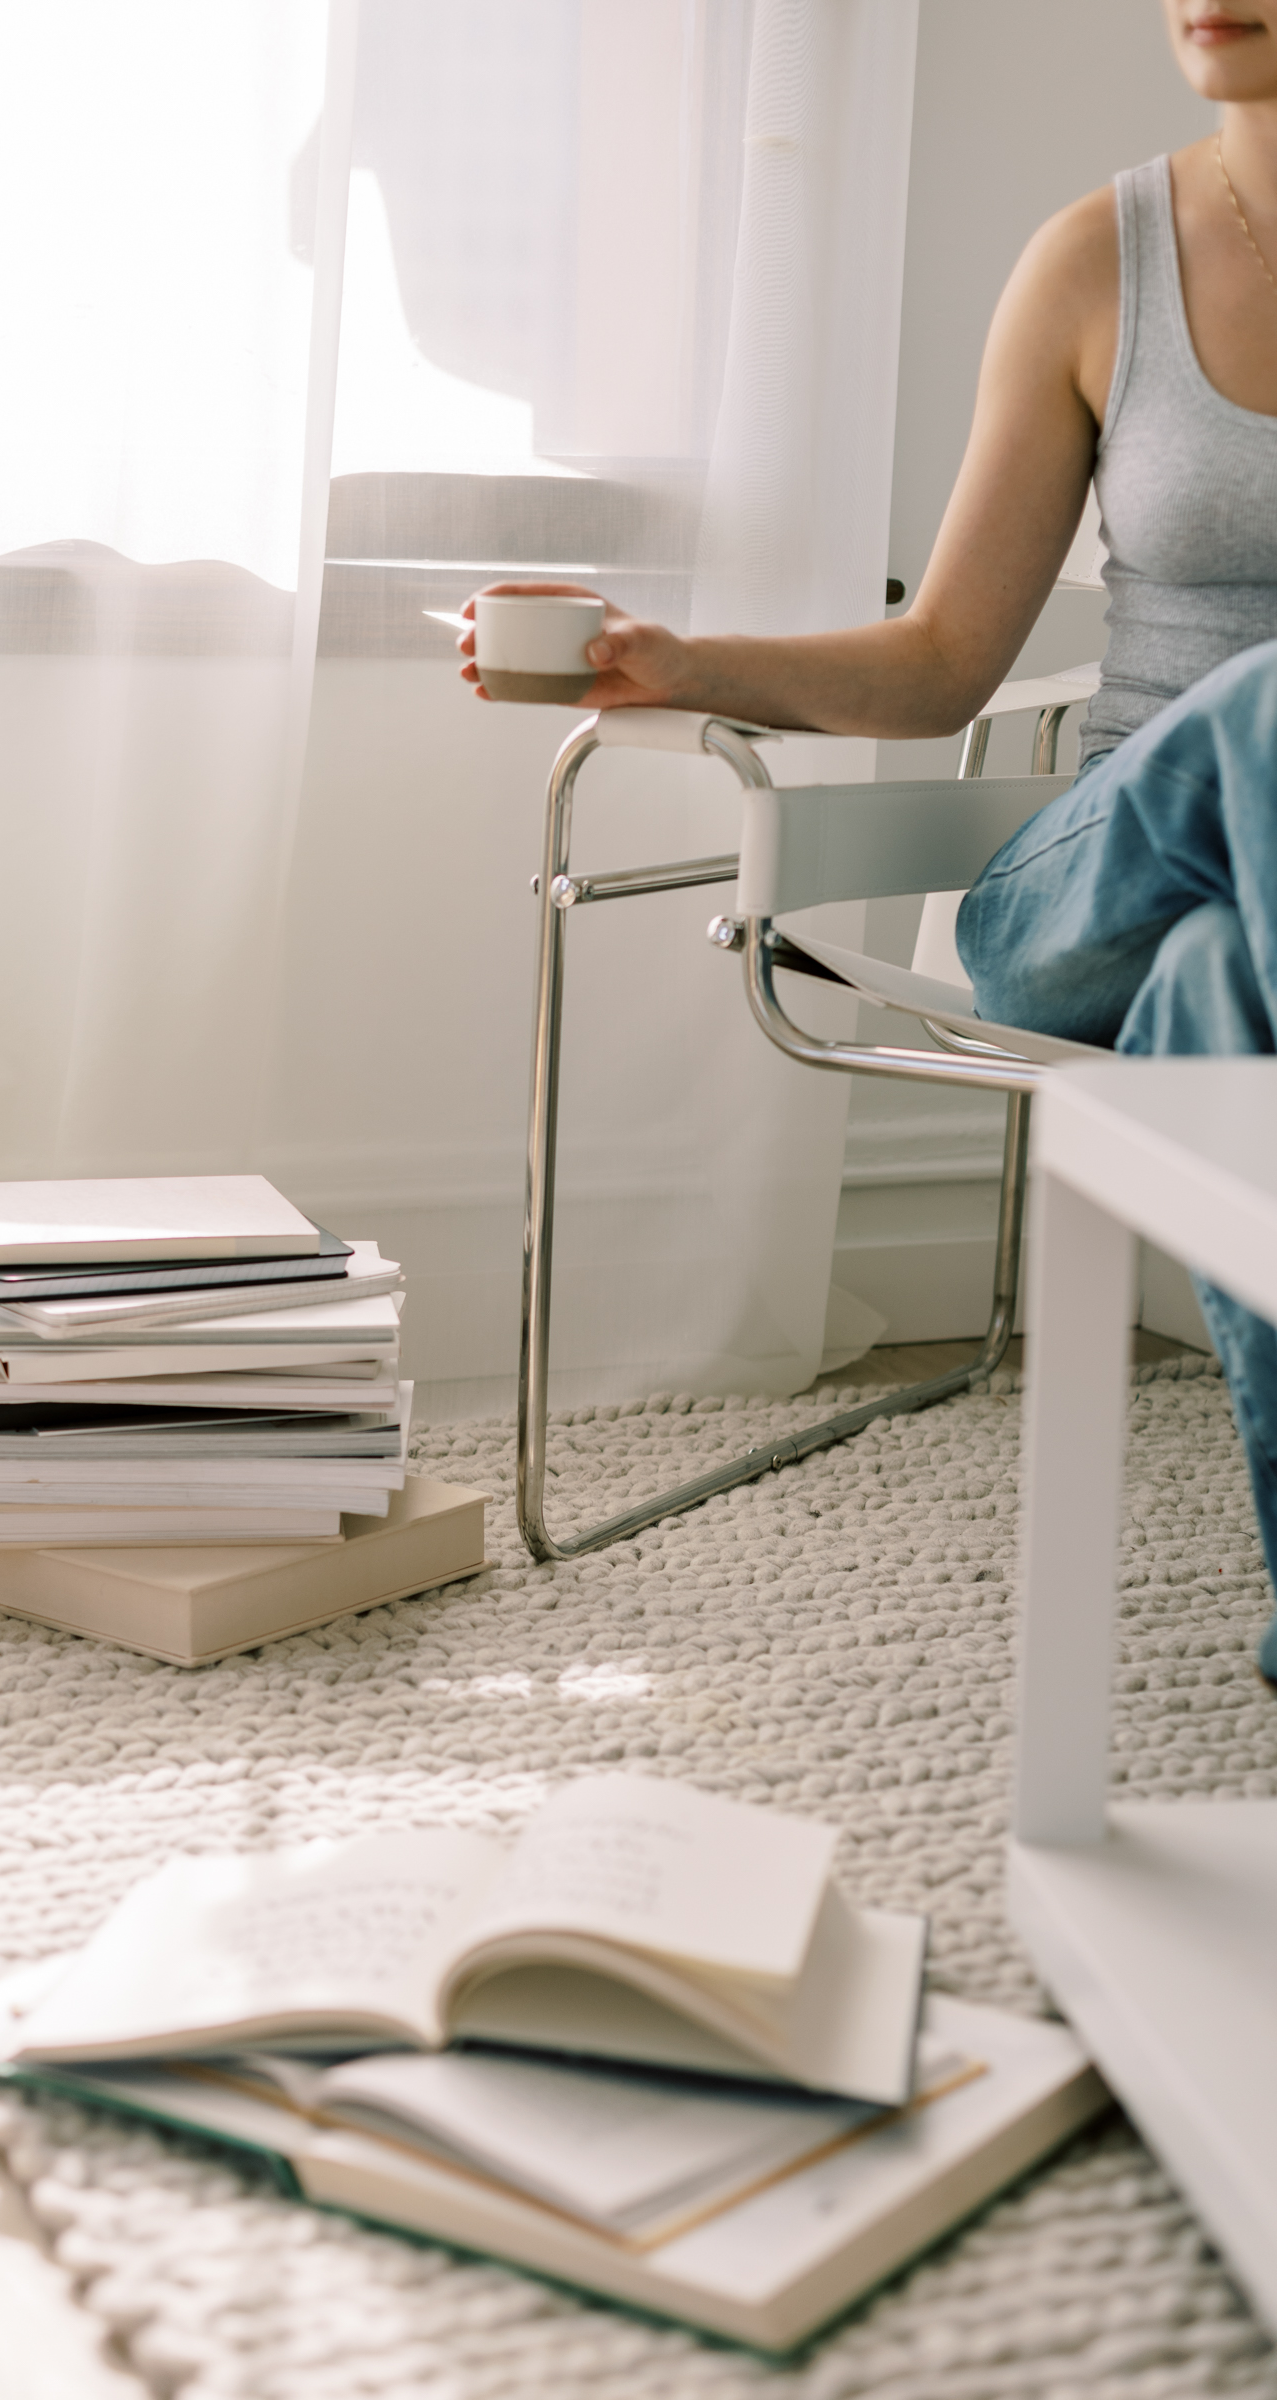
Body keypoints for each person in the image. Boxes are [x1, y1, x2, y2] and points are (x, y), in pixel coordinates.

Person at [457, 2, 1277, 1678]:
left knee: (1219, 990)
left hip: (1217, 956)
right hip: (1080, 889)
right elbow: (940, 665)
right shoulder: (1095, 262)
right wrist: (681, 664)